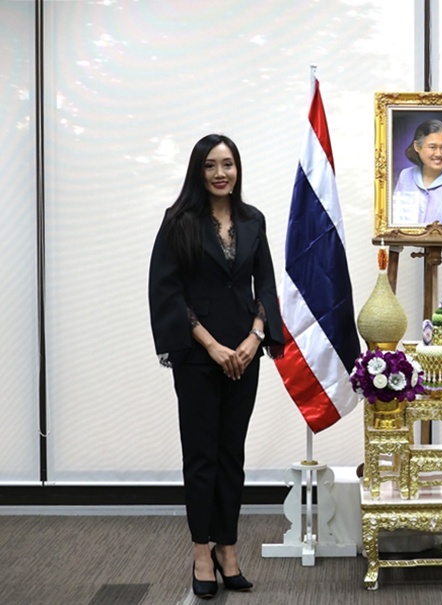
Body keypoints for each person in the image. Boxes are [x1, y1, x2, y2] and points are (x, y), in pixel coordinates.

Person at [148, 134, 284, 599]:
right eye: (210, 165)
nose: (220, 173)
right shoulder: (179, 221)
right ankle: (201, 553)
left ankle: (228, 549)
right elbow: (167, 291)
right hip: (197, 356)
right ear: (198, 171)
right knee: (201, 455)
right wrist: (211, 345)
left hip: (245, 354)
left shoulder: (253, 220)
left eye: (228, 164)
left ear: (237, 169)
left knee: (232, 455)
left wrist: (254, 337)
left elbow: (266, 285)